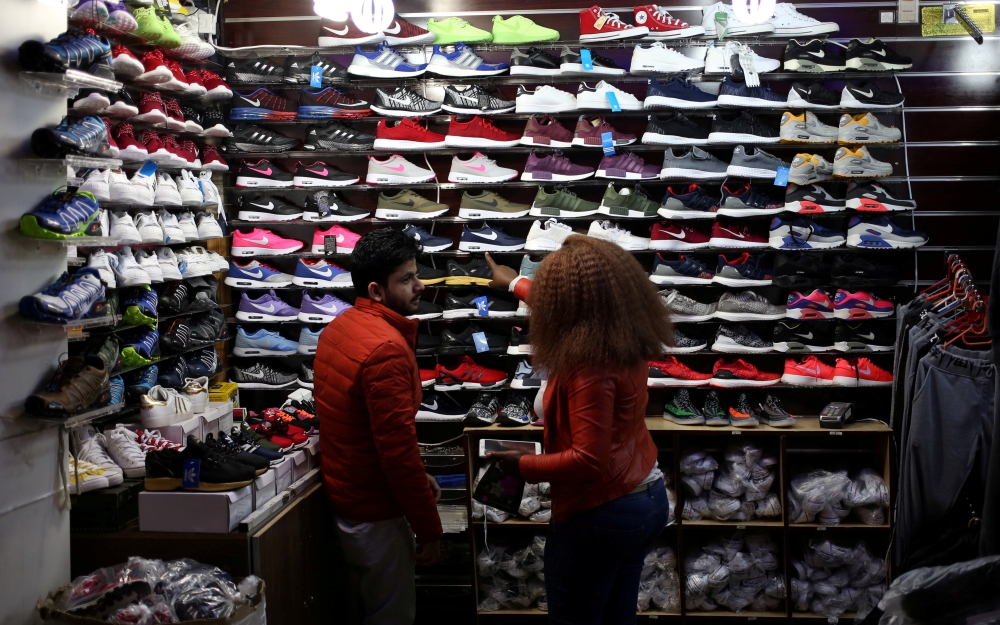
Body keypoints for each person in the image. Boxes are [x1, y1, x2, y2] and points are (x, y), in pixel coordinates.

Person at [485, 236, 673, 625]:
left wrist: (523, 465)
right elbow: (565, 308)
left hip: (603, 509)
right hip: (643, 494)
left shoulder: (591, 365)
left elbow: (588, 461)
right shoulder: (622, 332)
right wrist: (515, 282)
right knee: (617, 618)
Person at [314, 228, 442, 625]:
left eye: (415, 274)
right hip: (374, 509)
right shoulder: (385, 349)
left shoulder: (340, 327)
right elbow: (397, 452)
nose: (420, 286)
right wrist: (429, 527)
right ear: (376, 290)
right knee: (392, 615)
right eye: (406, 279)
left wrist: (420, 484)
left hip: (348, 495)